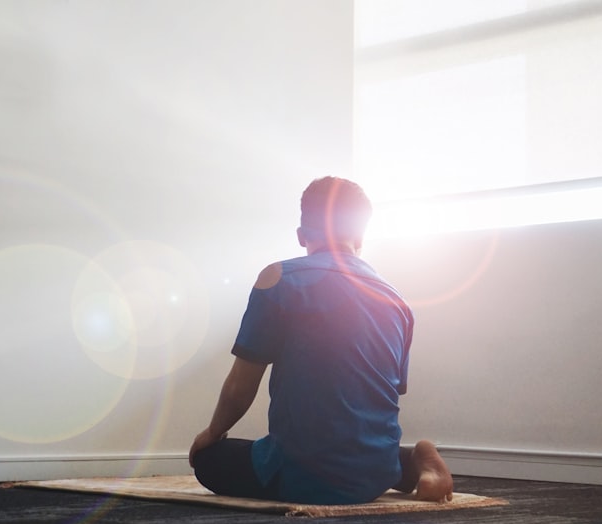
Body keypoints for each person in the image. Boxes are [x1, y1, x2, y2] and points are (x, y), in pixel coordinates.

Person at [189, 176, 453, 505]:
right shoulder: (397, 301)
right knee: (362, 440)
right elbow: (380, 396)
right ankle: (412, 461)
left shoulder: (279, 278)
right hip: (377, 475)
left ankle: (401, 460)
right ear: (360, 236)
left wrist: (212, 434)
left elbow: (239, 388)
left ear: (301, 237)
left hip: (306, 476)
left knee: (210, 460)